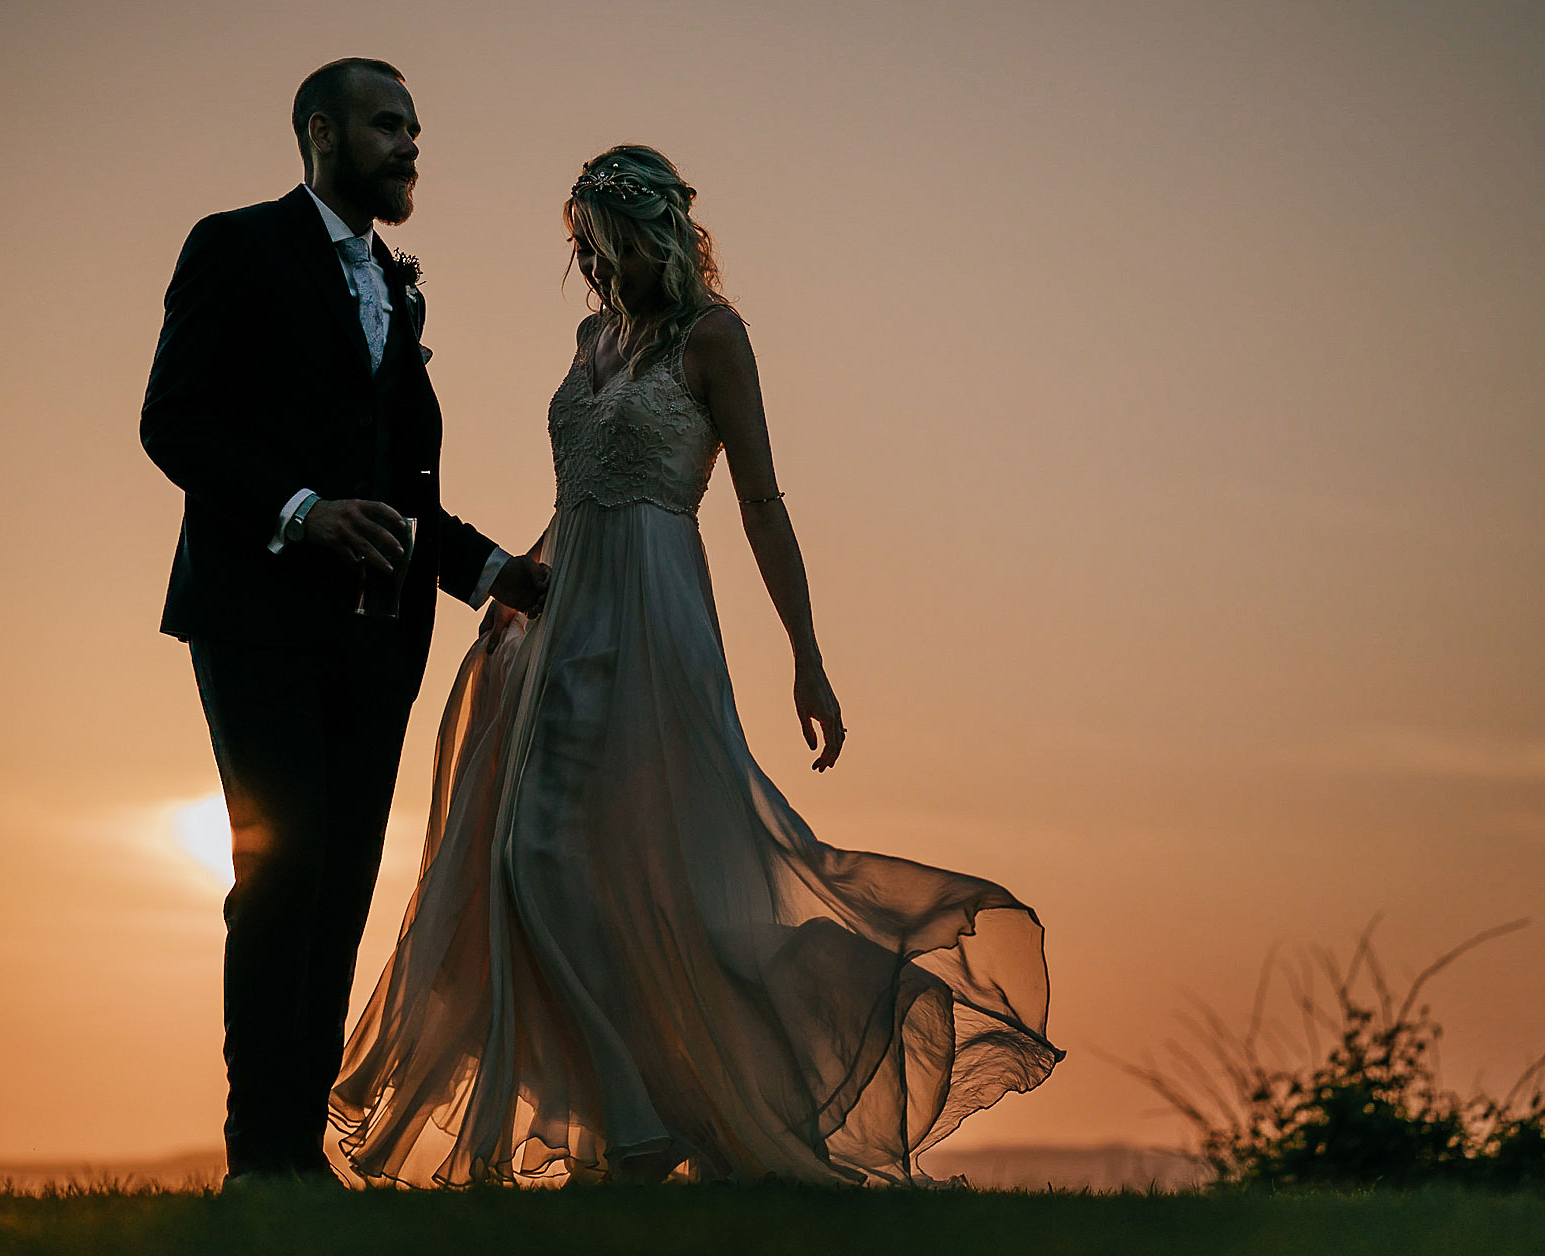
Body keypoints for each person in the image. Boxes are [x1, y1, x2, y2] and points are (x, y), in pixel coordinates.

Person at [329, 146, 1061, 1187]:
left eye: (608, 233)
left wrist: (808, 654)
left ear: (657, 230)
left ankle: (680, 1101)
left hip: (652, 602)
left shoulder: (716, 338)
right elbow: (580, 483)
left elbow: (761, 499)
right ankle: (642, 1109)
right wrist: (519, 582)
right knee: (533, 856)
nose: (592, 255)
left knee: (595, 857)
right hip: (565, 595)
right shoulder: (593, 337)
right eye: (582, 236)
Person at [140, 57, 549, 1186]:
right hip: (257, 618)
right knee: (282, 870)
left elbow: (406, 491)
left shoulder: (400, 288)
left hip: (382, 641)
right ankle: (257, 1158)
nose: (411, 144)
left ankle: (298, 1160)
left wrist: (502, 572)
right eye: (387, 124)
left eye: (416, 127)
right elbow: (174, 420)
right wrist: (301, 511)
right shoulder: (234, 245)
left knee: (344, 882)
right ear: (320, 133)